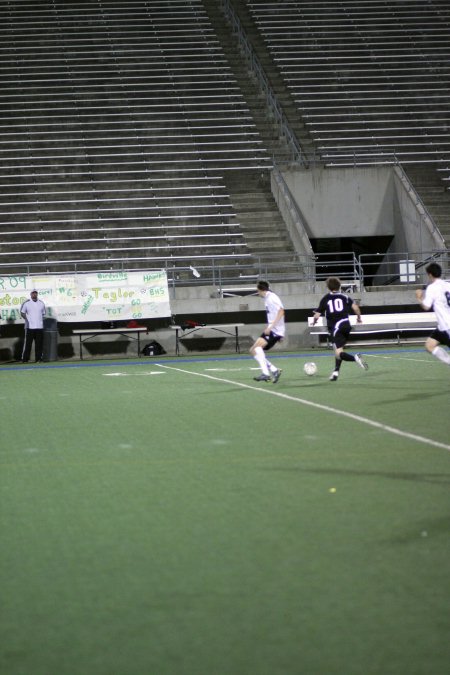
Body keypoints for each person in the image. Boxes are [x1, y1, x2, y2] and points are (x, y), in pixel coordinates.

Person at [312, 277, 368, 381]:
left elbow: (317, 315)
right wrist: (359, 318)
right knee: (339, 350)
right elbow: (355, 308)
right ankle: (336, 372)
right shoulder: (345, 296)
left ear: (328, 287)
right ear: (339, 286)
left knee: (338, 353)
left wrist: (314, 321)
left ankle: (355, 358)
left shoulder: (326, 298)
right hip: (346, 325)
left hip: (336, 327)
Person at [415, 262, 450, 366]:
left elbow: (426, 306)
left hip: (447, 326)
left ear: (430, 274)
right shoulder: (448, 284)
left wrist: (419, 297)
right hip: (441, 327)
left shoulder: (432, 287)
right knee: (429, 345)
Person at [250, 280, 285, 383]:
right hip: (273, 330)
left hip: (274, 330)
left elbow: (281, 311)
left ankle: (266, 373)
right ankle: (274, 370)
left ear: (262, 290)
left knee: (257, 348)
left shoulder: (272, 297)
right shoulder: (267, 298)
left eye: (258, 291)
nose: (258, 293)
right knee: (252, 350)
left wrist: (272, 328)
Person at [20, 289, 46, 363]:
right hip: (30, 327)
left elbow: (43, 313)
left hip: (39, 327)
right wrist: (27, 319)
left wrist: (39, 320)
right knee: (28, 344)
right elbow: (22, 313)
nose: (34, 294)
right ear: (30, 294)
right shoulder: (26, 304)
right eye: (33, 293)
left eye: (35, 293)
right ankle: (25, 359)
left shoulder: (41, 303)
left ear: (37, 294)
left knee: (39, 344)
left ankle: (38, 359)